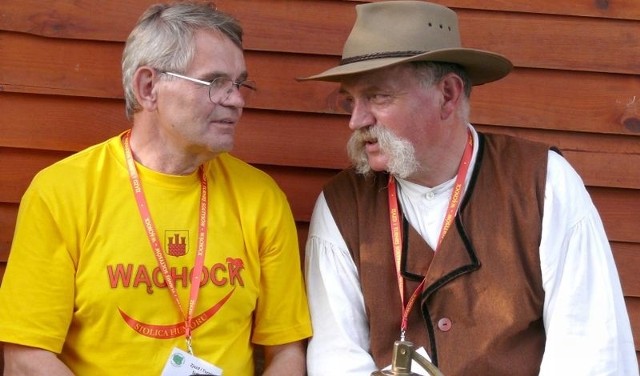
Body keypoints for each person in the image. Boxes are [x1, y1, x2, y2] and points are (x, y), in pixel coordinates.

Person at [299, 1, 638, 375]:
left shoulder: (543, 182)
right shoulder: (342, 205)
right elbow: (336, 358)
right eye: (351, 100)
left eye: (378, 97)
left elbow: (590, 350)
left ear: (448, 94)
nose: (356, 120)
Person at [0, 2, 311, 375]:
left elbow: (287, 352)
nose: (237, 100)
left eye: (240, 84)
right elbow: (25, 356)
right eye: (215, 83)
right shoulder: (62, 193)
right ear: (149, 87)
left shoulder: (261, 198)